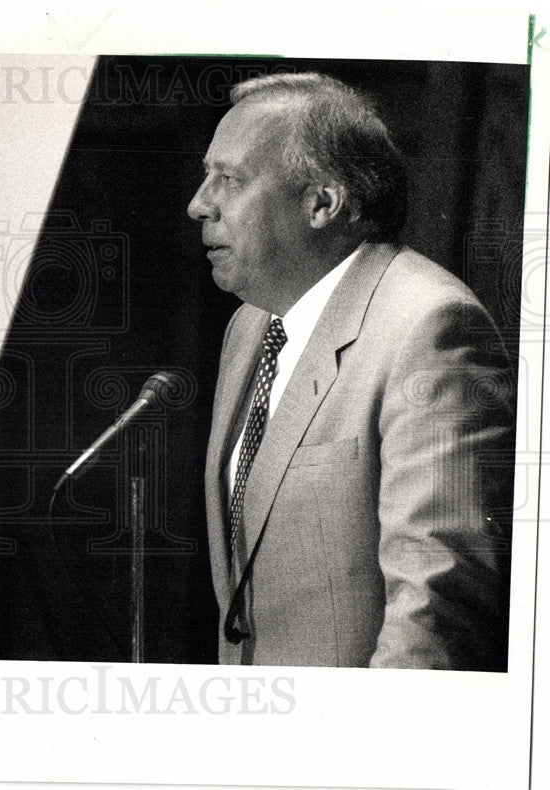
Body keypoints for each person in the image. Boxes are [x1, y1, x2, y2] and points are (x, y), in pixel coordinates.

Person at [186, 72, 514, 670]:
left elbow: (436, 603)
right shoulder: (251, 326)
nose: (199, 203)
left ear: (322, 202)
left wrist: (362, 753)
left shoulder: (429, 327)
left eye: (228, 180)